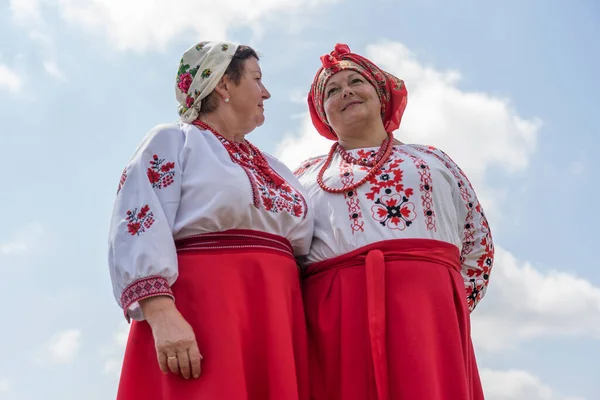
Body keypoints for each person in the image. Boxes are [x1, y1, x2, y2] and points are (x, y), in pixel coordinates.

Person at [108, 40, 313, 400]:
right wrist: (161, 314)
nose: (266, 92)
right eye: (256, 78)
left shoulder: (278, 168)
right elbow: (138, 222)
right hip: (206, 310)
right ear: (223, 84)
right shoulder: (174, 141)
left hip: (276, 313)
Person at [294, 43, 494, 400]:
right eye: (333, 91)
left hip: (428, 316)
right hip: (337, 322)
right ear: (323, 112)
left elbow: (477, 239)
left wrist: (445, 305)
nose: (347, 93)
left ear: (380, 92)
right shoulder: (304, 177)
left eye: (356, 82)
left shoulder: (432, 160)